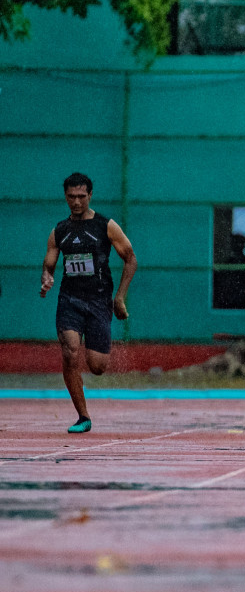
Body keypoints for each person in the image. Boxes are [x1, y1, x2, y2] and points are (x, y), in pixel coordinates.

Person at [38, 172, 137, 434]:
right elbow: (49, 266)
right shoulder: (59, 231)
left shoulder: (106, 226)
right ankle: (83, 416)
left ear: (90, 196)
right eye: (71, 197)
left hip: (99, 301)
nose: (77, 202)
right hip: (69, 300)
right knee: (70, 351)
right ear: (65, 197)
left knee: (97, 366)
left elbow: (131, 259)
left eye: (82, 197)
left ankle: (97, 345)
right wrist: (46, 279)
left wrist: (120, 297)